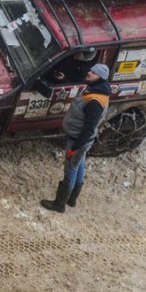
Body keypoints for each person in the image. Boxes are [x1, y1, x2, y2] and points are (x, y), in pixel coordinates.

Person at [40, 63, 112, 213]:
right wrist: (65, 79)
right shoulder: (97, 90)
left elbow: (89, 128)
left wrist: (75, 147)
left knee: (70, 169)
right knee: (79, 166)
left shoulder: (94, 102)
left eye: (94, 73)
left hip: (78, 140)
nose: (89, 73)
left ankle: (59, 204)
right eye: (91, 70)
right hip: (81, 140)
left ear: (100, 78)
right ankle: (72, 199)